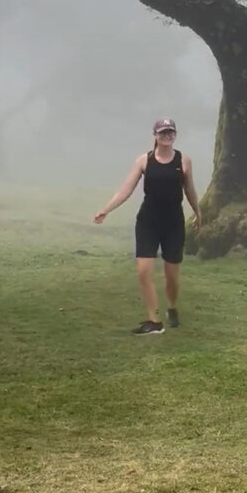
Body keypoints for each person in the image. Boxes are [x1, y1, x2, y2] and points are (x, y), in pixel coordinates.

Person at [94, 118, 202, 334]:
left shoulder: (183, 160)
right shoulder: (144, 160)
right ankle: (154, 321)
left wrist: (198, 212)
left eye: (171, 132)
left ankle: (172, 307)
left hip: (173, 223)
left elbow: (189, 189)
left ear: (175, 134)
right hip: (148, 222)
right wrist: (106, 209)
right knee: (143, 271)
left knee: (171, 276)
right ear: (155, 135)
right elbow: (125, 190)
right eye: (163, 132)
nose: (167, 136)